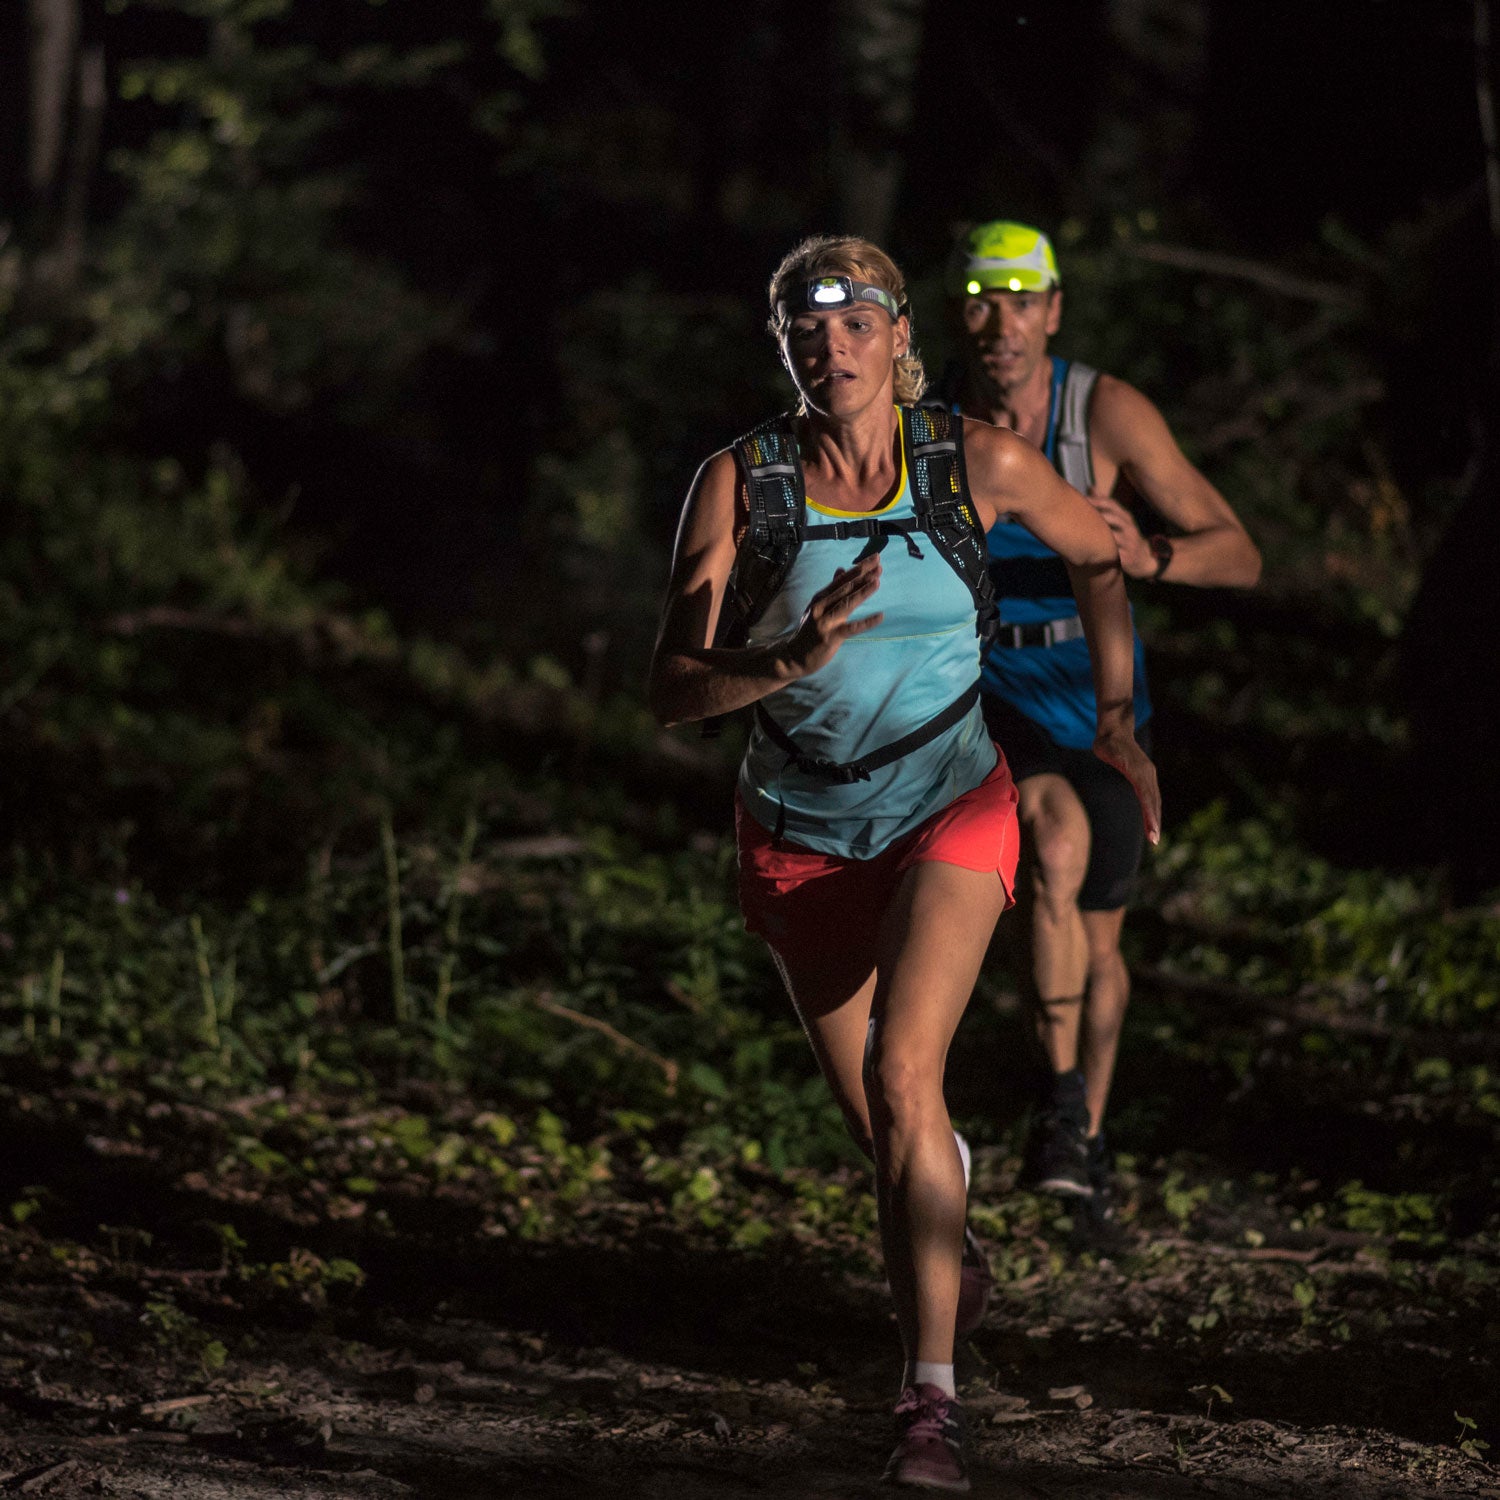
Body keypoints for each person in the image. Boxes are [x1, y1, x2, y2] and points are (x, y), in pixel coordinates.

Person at [648, 233, 1159, 1491]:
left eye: (856, 325)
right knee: (888, 1125)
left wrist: (1114, 722)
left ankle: (928, 1406)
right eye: (807, 334)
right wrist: (783, 661)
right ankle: (947, 1220)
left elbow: (1096, 553)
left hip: (951, 806)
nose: (834, 350)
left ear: (895, 334)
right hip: (801, 838)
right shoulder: (741, 483)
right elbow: (669, 688)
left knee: (904, 1066)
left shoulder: (972, 462)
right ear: (787, 351)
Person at [932, 221, 1261, 1207]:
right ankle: (1057, 1101)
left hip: (1103, 695)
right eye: (983, 301)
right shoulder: (932, 417)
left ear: (1054, 310)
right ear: (960, 312)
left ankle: (1083, 1141)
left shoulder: (1104, 412)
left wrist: (1155, 553)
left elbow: (1240, 553)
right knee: (1050, 843)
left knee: (1103, 933)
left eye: (1022, 301)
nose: (1004, 325)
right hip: (990, 694)